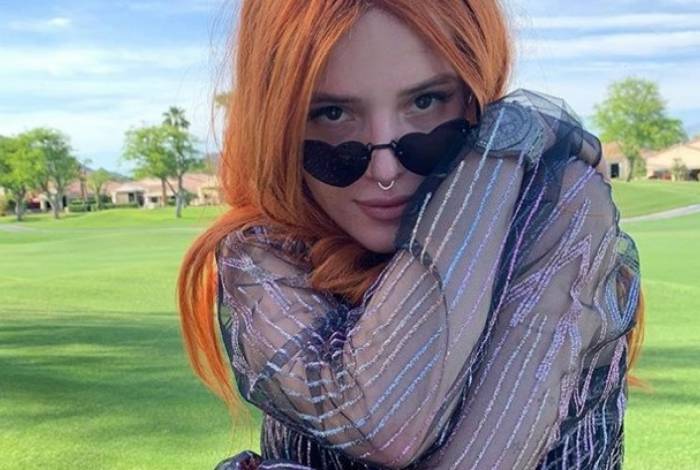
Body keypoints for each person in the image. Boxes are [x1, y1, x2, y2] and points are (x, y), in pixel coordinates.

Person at [177, 1, 645, 469]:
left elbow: (434, 445)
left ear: (476, 97)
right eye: (333, 112)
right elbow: (376, 418)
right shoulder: (264, 249)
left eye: (425, 102)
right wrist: (505, 147)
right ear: (279, 122)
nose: (384, 170)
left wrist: (500, 150)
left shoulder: (558, 208)